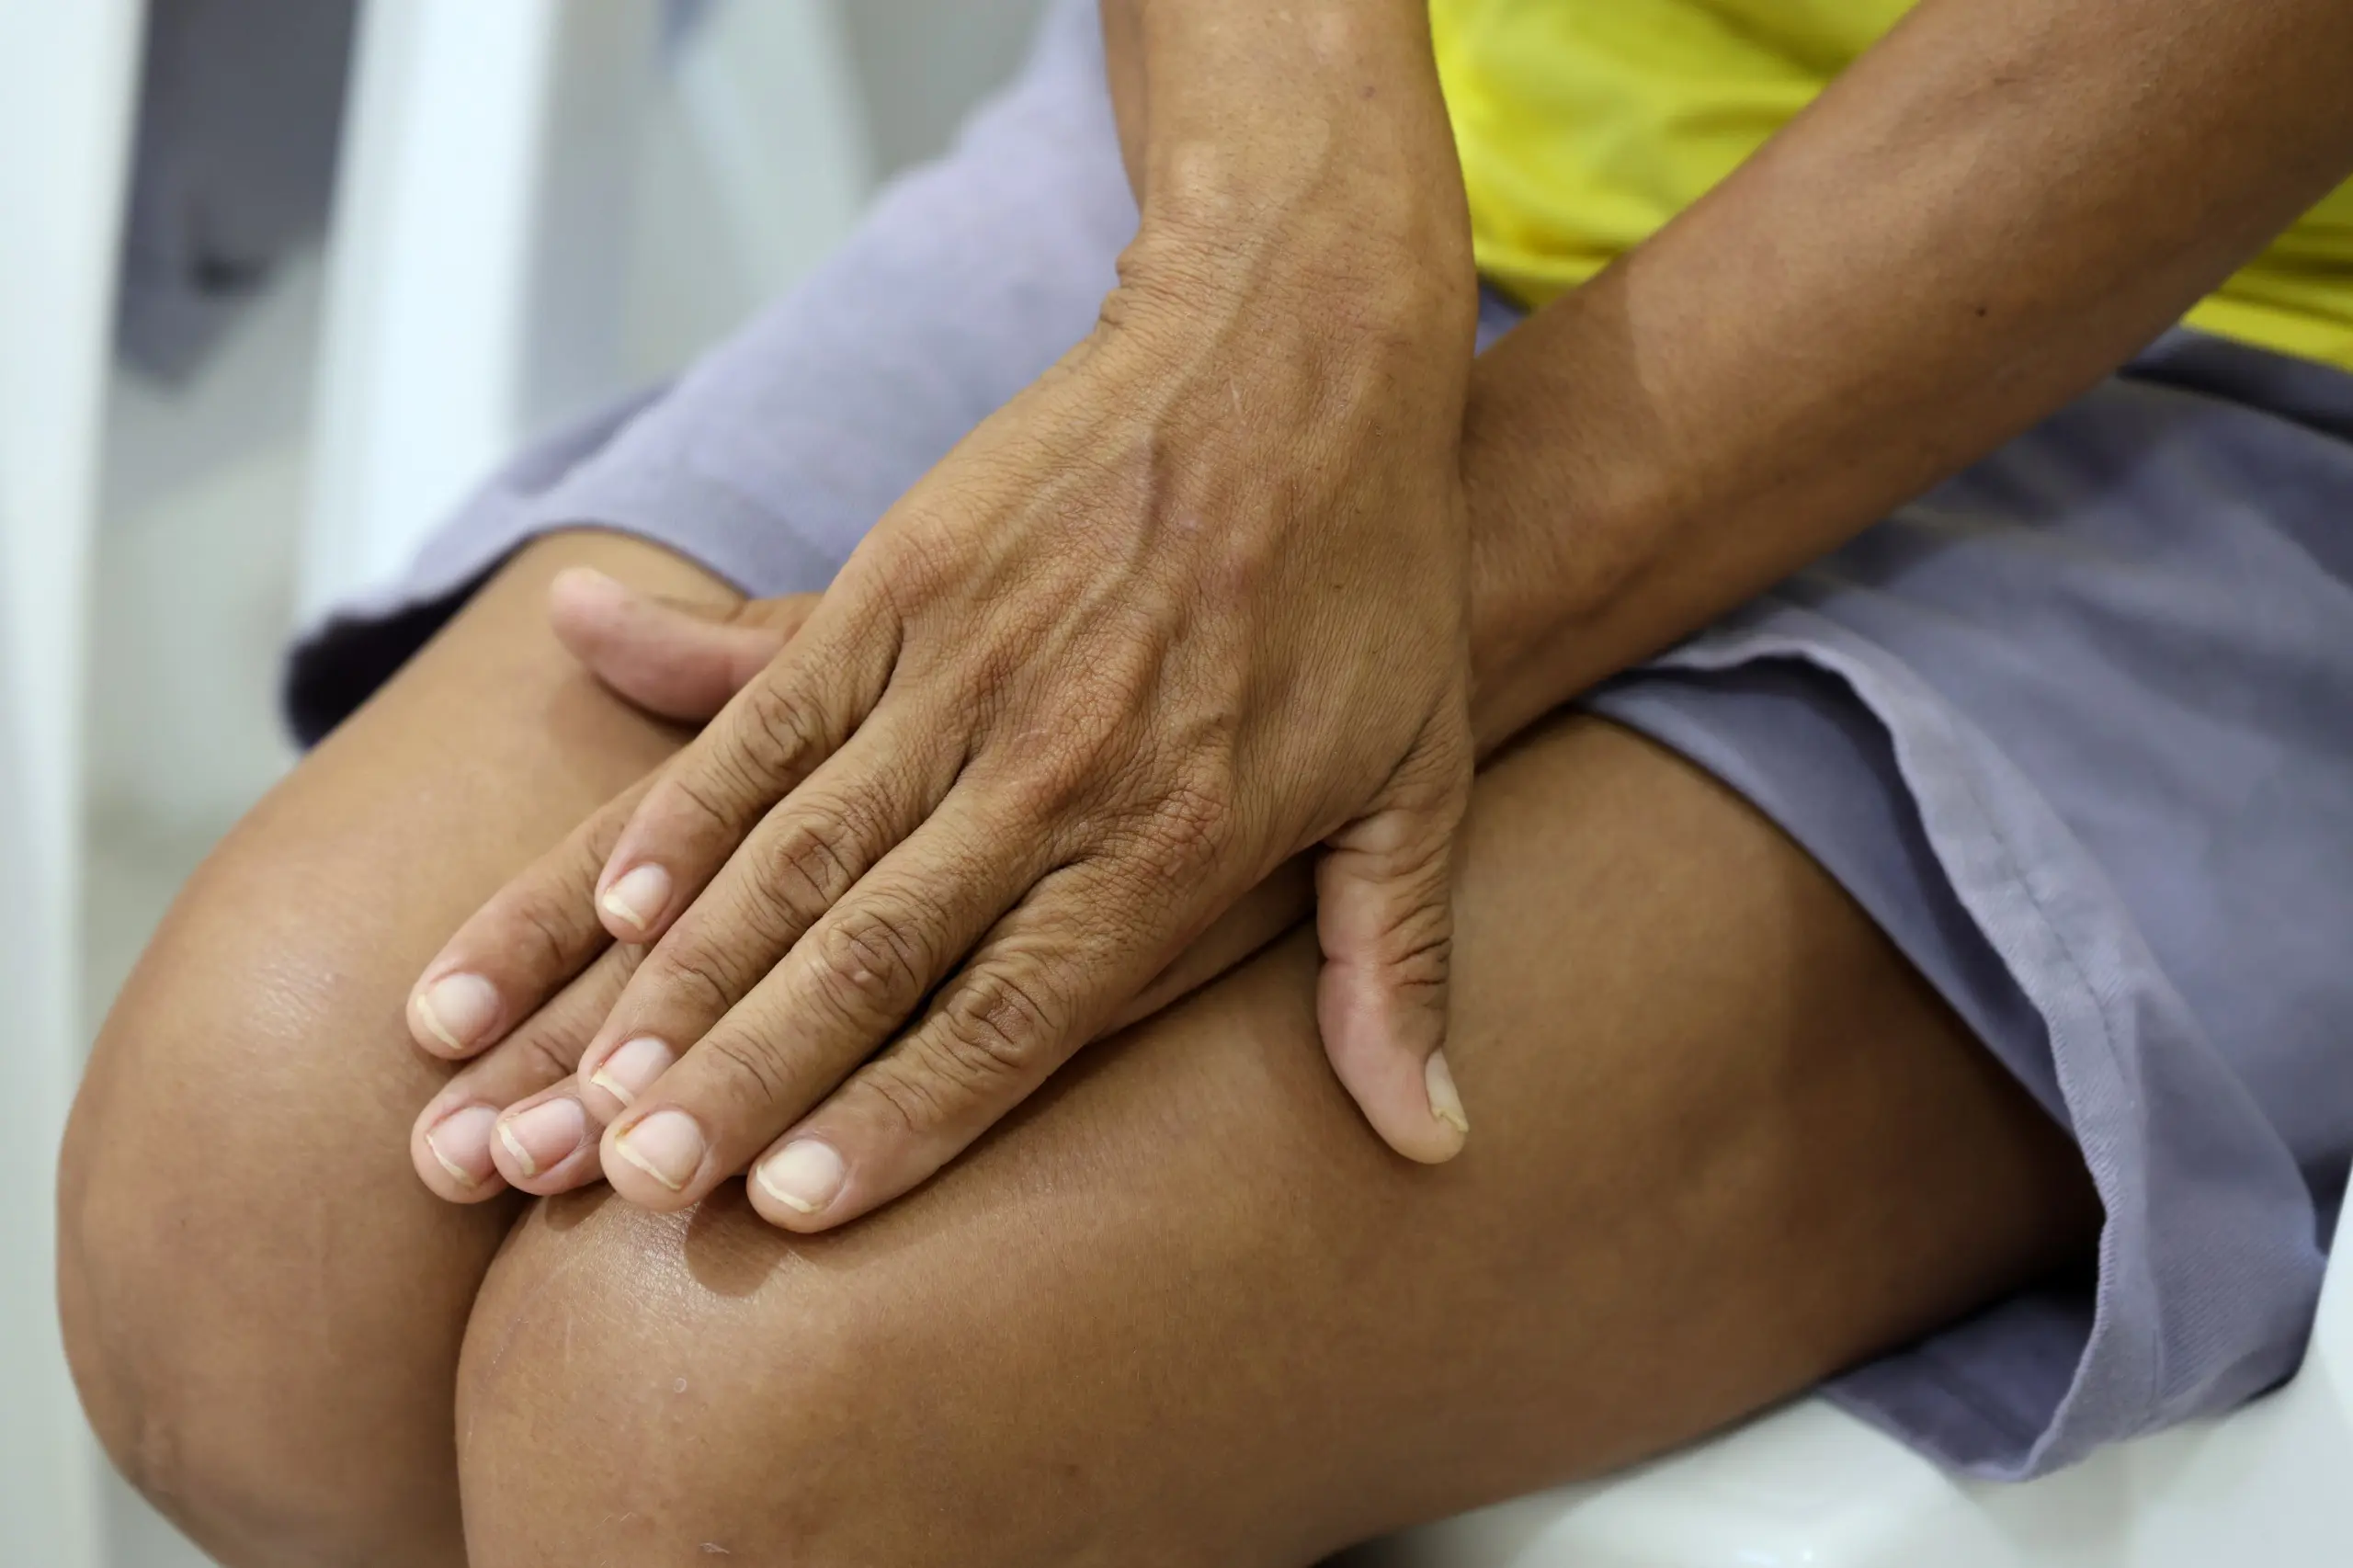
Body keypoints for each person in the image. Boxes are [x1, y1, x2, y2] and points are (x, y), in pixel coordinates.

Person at [57, 0, 2353, 1563]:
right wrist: (1268, 271)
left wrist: (1307, 608)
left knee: (716, 1433)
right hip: (1329, 123)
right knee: (246, 1237)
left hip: (2208, 318)